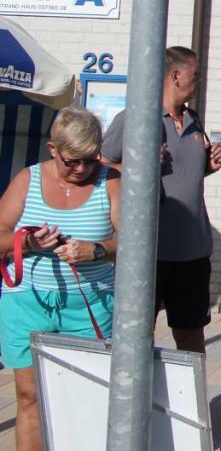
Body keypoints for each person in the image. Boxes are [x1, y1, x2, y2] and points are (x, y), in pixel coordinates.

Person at [0, 108, 119, 451]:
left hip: (89, 303)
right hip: (28, 301)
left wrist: (95, 250)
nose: (81, 169)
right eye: (71, 161)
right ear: (53, 149)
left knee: (87, 397)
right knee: (29, 397)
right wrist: (28, 243)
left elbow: (135, 243)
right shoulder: (28, 178)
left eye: (89, 160)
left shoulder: (110, 181)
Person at [101, 45, 221, 353]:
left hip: (193, 252)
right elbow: (98, 163)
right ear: (176, 75)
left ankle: (190, 402)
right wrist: (135, 165)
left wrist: (209, 167)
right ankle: (137, 399)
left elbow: (186, 177)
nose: (199, 81)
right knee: (138, 336)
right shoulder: (136, 118)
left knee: (191, 336)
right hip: (149, 252)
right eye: (195, 75)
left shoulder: (193, 120)